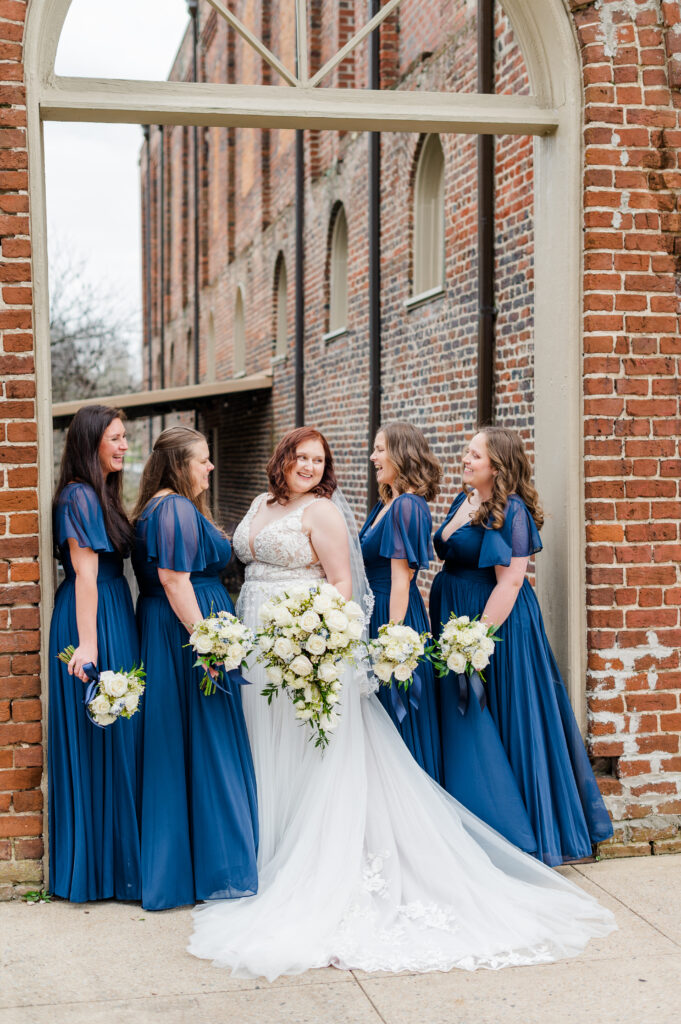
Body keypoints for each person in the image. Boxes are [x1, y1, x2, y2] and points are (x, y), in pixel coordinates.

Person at [188, 426, 615, 979]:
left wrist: (409, 637)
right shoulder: (441, 504)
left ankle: (531, 832)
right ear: (283, 458)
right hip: (333, 629)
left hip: (439, 625)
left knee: (485, 726)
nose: (321, 464)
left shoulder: (410, 509)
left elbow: (453, 580)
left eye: (475, 453)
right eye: (303, 456)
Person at [430, 427, 613, 866]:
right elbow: (444, 548)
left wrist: (474, 640)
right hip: (455, 609)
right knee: (464, 717)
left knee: (501, 713)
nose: (466, 458)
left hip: (497, 624)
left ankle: (516, 830)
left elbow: (510, 583)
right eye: (468, 452)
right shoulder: (463, 500)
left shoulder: (512, 513)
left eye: (475, 454)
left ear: (498, 464)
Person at [132, 426, 258, 911]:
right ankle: (217, 865)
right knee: (204, 741)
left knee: (185, 742)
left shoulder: (161, 507)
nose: (210, 467)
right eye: (202, 460)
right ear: (178, 465)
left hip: (174, 630)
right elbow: (174, 579)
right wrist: (207, 642)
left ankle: (190, 865)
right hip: (187, 633)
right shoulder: (173, 508)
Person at [48, 405, 141, 902]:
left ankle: (114, 867)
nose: (125, 446)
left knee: (115, 737)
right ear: (91, 443)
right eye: (117, 438)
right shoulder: (79, 497)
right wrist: (88, 645)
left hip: (111, 610)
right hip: (92, 618)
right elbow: (85, 573)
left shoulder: (99, 493)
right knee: (95, 738)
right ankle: (94, 871)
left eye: (125, 437)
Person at [359, 421, 442, 782]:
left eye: (380, 449)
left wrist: (392, 638)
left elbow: (402, 578)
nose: (373, 456)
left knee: (396, 712)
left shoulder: (408, 505)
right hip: (374, 610)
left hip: (395, 615)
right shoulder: (386, 502)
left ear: (401, 454)